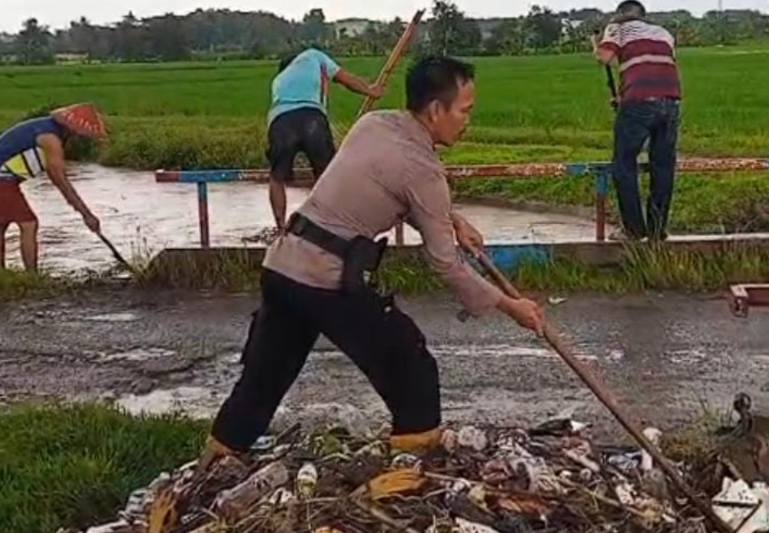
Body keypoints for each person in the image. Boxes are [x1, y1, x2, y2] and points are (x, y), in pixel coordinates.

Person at [199, 56, 545, 468]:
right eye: (465, 110)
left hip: (283, 268)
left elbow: (380, 183)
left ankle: (215, 464)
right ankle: (407, 479)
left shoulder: (374, 124)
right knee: (410, 367)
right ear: (436, 110)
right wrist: (513, 307)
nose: (468, 120)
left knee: (261, 383)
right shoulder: (425, 172)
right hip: (325, 282)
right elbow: (447, 266)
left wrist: (452, 219)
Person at [266, 48, 384, 231]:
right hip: (312, 118)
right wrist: (370, 91)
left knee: (277, 177)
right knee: (326, 176)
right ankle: (327, 224)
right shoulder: (315, 56)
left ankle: (280, 228)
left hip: (280, 121)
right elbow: (347, 79)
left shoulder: (278, 80)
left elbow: (274, 121)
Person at [592, 0, 682, 241]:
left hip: (639, 102)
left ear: (619, 14)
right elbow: (651, 66)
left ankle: (633, 229)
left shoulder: (617, 28)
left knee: (623, 164)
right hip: (671, 101)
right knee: (663, 166)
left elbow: (605, 57)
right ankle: (656, 230)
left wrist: (597, 43)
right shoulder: (663, 33)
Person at [0, 103, 106, 271]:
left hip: (6, 180)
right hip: (3, 181)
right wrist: (86, 214)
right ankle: (32, 277)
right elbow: (59, 180)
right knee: (29, 224)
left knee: (2, 224)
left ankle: (3, 276)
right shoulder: (50, 139)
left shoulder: (43, 126)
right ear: (71, 130)